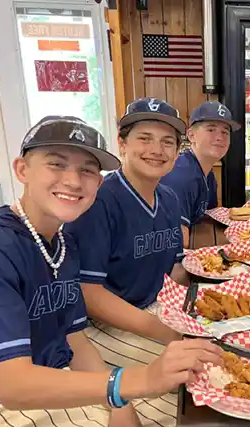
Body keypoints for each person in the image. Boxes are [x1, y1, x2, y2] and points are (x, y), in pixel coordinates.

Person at [0, 116, 222, 427]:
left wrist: (119, 403)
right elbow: (13, 386)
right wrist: (133, 382)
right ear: (22, 170)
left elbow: (74, 338)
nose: (73, 181)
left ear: (98, 183)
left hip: (56, 374)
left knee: (191, 410)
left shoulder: (62, 243)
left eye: (88, 170)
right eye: (56, 164)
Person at [65, 98, 190, 371]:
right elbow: (87, 293)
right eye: (144, 138)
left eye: (168, 142)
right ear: (122, 144)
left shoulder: (169, 198)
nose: (157, 150)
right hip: (101, 329)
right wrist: (163, 330)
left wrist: (193, 313)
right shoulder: (98, 202)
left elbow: (176, 270)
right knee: (194, 372)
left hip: (154, 310)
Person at [161, 101, 241, 246]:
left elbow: (209, 220)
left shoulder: (208, 174)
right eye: (211, 130)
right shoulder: (180, 176)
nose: (220, 137)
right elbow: (178, 243)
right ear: (191, 135)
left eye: (225, 132)